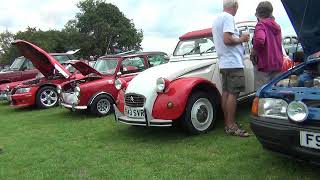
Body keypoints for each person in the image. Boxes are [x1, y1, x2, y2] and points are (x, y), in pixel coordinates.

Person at [213, 0, 250, 137]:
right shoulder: (229, 18)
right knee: (233, 94)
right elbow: (228, 40)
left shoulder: (217, 19)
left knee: (227, 93)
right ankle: (231, 126)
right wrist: (242, 38)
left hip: (224, 62)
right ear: (234, 6)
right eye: (237, 7)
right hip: (233, 62)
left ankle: (228, 123)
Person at [252, 1, 283, 89]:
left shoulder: (261, 25)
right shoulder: (277, 26)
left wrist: (253, 52)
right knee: (275, 92)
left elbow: (259, 40)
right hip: (277, 64)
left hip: (264, 65)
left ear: (258, 14)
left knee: (262, 93)